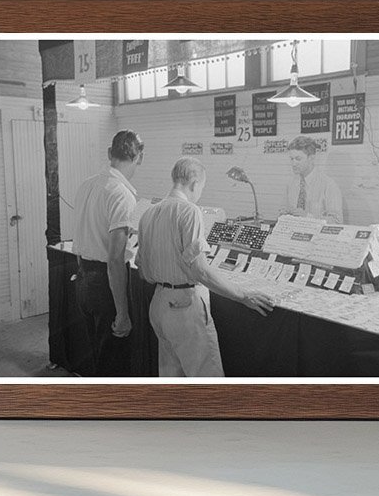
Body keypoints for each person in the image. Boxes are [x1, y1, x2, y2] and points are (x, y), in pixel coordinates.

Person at [137, 157, 275, 377]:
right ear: (194, 182)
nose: (200, 192)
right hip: (184, 308)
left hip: (159, 305)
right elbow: (200, 270)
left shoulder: (148, 214)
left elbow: (142, 270)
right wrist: (243, 296)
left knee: (172, 380)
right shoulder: (189, 211)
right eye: (201, 186)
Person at [72, 129, 144, 376]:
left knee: (97, 353)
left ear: (109, 153)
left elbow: (81, 235)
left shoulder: (86, 185)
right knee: (114, 359)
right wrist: (123, 313)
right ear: (140, 158)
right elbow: (114, 260)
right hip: (105, 285)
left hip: (82, 278)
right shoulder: (122, 195)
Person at [279, 136, 344, 223]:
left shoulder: (328, 185)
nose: (293, 164)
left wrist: (307, 217)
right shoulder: (290, 184)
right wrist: (284, 215)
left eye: (298, 159)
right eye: (291, 159)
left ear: (311, 158)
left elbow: (337, 221)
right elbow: (283, 211)